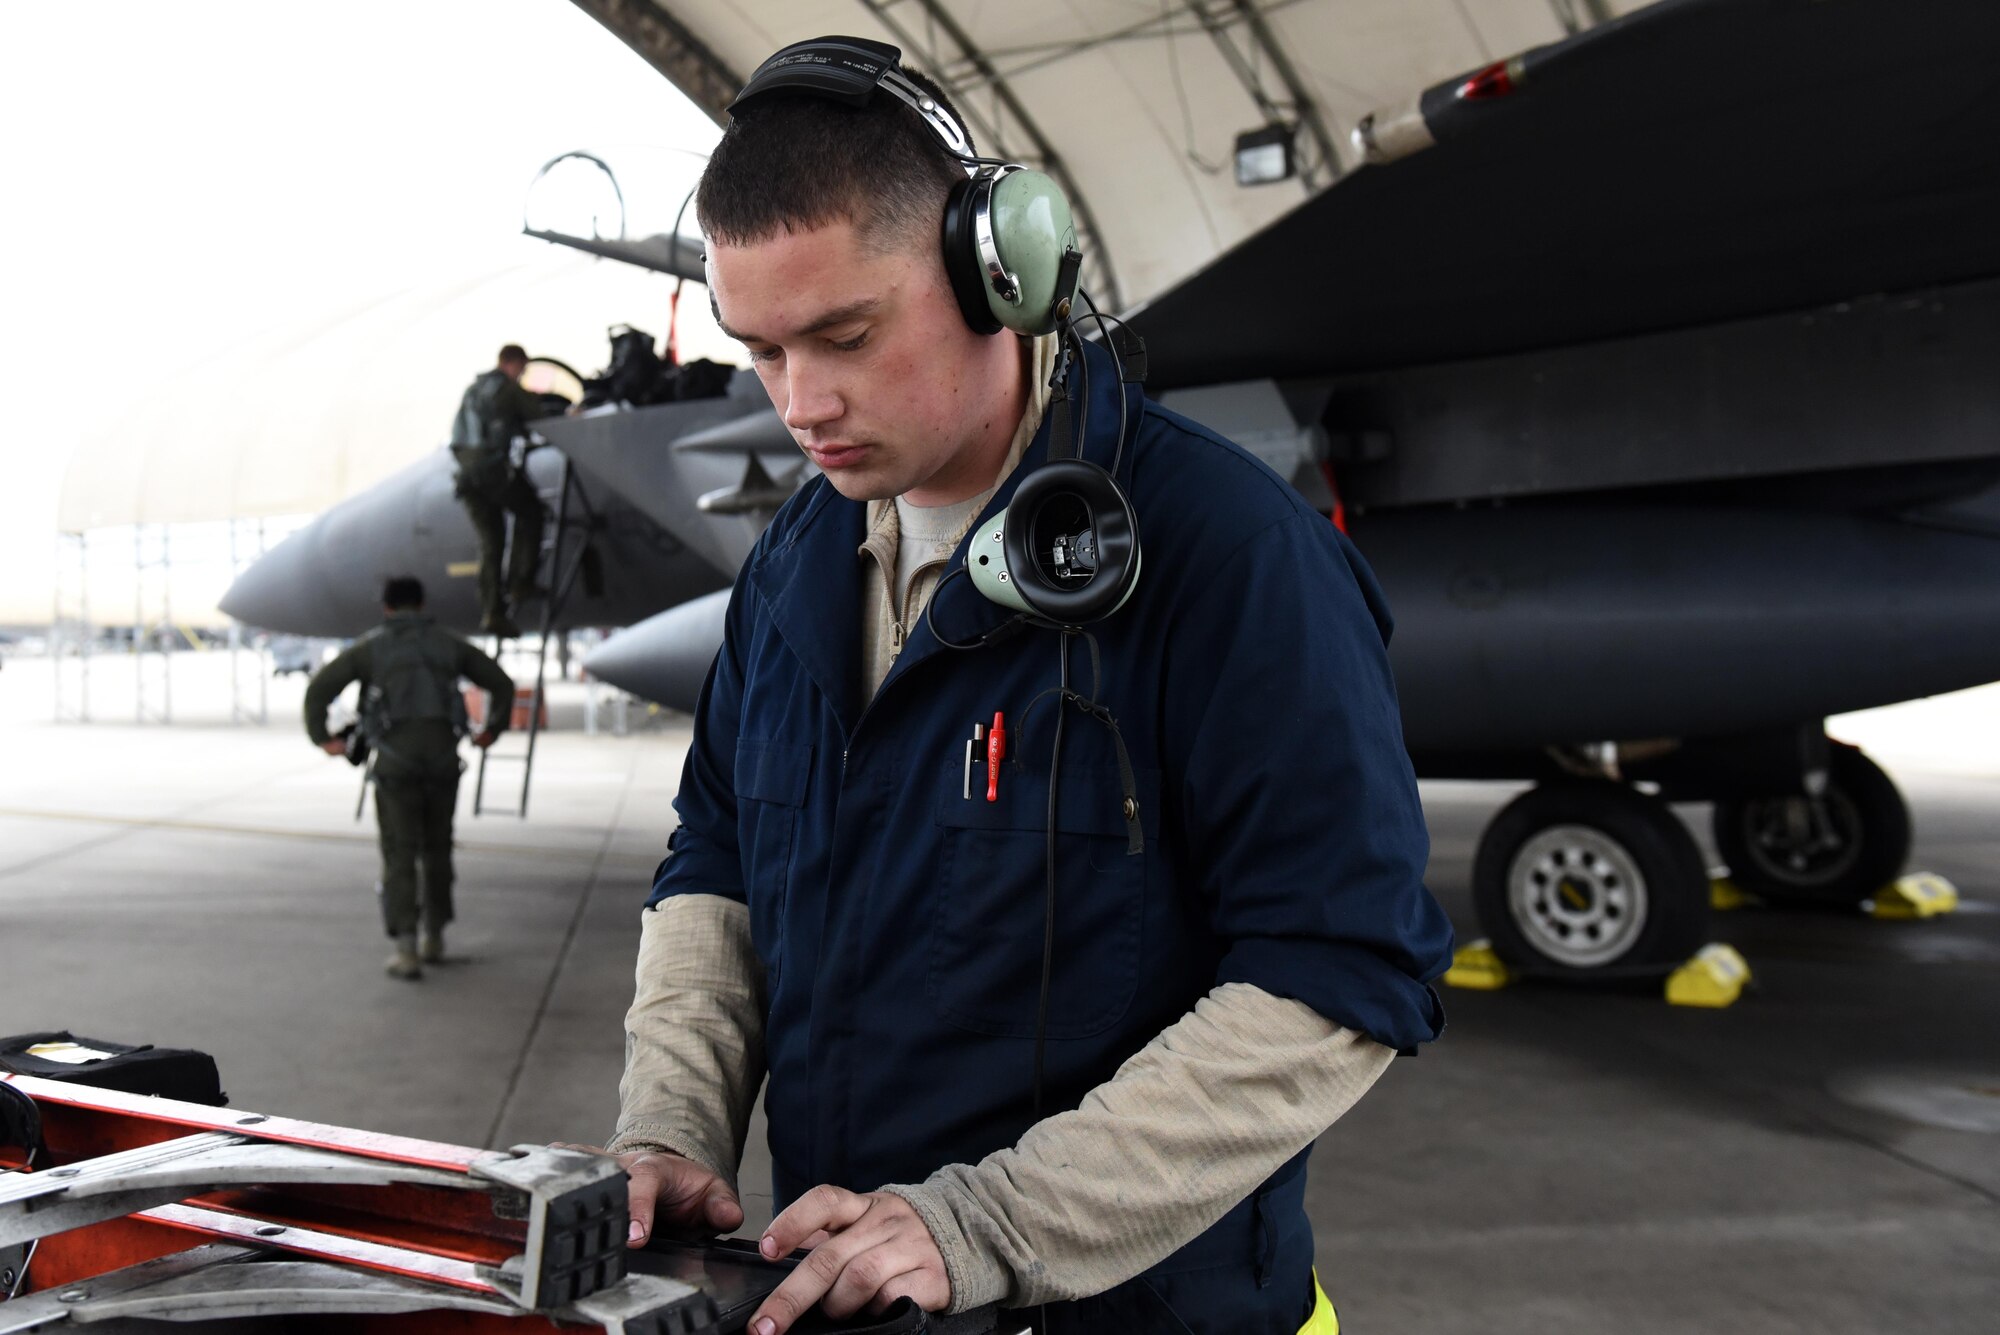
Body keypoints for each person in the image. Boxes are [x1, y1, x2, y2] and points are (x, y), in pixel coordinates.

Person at [601, 37, 1454, 1335]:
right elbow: (716, 858)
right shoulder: (795, 565)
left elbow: (1341, 965)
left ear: (1003, 271)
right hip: (854, 1296)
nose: (803, 403)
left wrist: (993, 1218)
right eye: (761, 352)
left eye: (844, 334)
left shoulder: (1223, 552)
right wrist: (669, 1122)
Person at [305, 576, 514, 979]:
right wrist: (491, 729)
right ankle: (435, 938)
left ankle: (407, 950)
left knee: (400, 853)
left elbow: (319, 690)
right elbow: (500, 683)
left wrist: (323, 739)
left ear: (386, 607)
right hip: (442, 764)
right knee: (437, 849)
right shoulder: (448, 644)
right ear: (421, 604)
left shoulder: (371, 647)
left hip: (395, 767)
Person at [450, 343, 547, 638]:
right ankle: (521, 583)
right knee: (531, 511)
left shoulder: (474, 390)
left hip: (467, 479)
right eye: (522, 369)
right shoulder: (508, 390)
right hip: (492, 473)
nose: (522, 374)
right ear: (513, 363)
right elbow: (539, 416)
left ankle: (492, 612)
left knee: (491, 545)